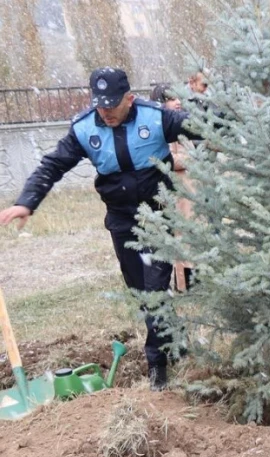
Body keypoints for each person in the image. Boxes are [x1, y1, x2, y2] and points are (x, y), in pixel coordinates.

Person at [0, 68, 199, 390]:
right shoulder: (84, 128)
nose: (105, 111)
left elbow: (206, 126)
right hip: (121, 220)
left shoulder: (157, 118)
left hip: (159, 216)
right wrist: (27, 201)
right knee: (141, 292)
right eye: (100, 104)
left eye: (112, 104)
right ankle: (175, 342)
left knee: (154, 292)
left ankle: (157, 369)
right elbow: (53, 164)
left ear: (129, 99)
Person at [150, 84, 195, 291]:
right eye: (171, 99)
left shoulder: (182, 123)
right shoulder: (158, 126)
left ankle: (194, 278)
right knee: (179, 236)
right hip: (175, 190)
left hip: (192, 189)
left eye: (179, 98)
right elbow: (164, 158)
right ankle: (183, 283)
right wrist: (191, 159)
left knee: (192, 235)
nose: (178, 102)